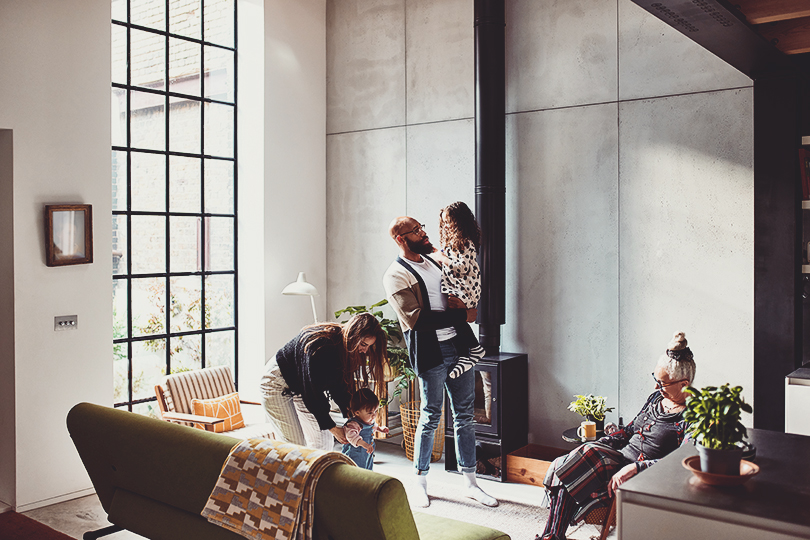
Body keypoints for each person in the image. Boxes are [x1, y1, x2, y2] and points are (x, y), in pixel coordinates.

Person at [383, 215, 498, 508]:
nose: (423, 233)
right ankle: (420, 482)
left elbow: (459, 284)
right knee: (431, 415)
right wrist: (465, 315)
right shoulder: (396, 275)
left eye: (421, 227)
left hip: (458, 347)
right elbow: (416, 318)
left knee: (464, 415)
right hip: (431, 353)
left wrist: (465, 303)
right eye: (415, 231)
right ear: (400, 238)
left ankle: (471, 483)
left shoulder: (435, 261)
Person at [537, 332, 696, 540]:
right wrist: (604, 441)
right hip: (617, 459)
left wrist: (636, 467)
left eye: (662, 383)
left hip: (643, 475)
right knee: (576, 462)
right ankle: (553, 536)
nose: (656, 387)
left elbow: (680, 462)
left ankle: (552, 537)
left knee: (569, 467)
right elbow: (629, 431)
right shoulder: (656, 398)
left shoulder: (694, 413)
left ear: (684, 384)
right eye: (655, 379)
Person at [259, 312, 386, 451]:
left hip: (300, 386)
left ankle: (314, 472)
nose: (365, 350)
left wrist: (353, 414)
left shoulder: (343, 351)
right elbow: (313, 392)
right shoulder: (321, 347)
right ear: (354, 335)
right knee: (295, 446)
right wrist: (332, 427)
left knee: (324, 441)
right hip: (276, 382)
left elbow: (338, 385)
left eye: (368, 346)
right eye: (363, 344)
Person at [431, 201, 486, 379]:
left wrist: (442, 258)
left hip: (466, 290)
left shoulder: (465, 242)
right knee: (456, 320)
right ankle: (466, 355)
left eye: (449, 222)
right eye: (444, 222)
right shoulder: (454, 242)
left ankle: (473, 351)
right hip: (460, 288)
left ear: (460, 222)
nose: (446, 225)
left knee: (457, 318)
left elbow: (461, 267)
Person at [341, 387, 389, 470]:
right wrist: (363, 444)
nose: (374, 415)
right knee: (355, 471)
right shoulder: (354, 424)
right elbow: (351, 436)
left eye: (375, 411)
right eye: (370, 412)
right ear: (357, 412)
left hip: (367, 453)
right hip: (355, 454)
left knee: (367, 468)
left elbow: (372, 426)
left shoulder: (368, 421)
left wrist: (380, 429)